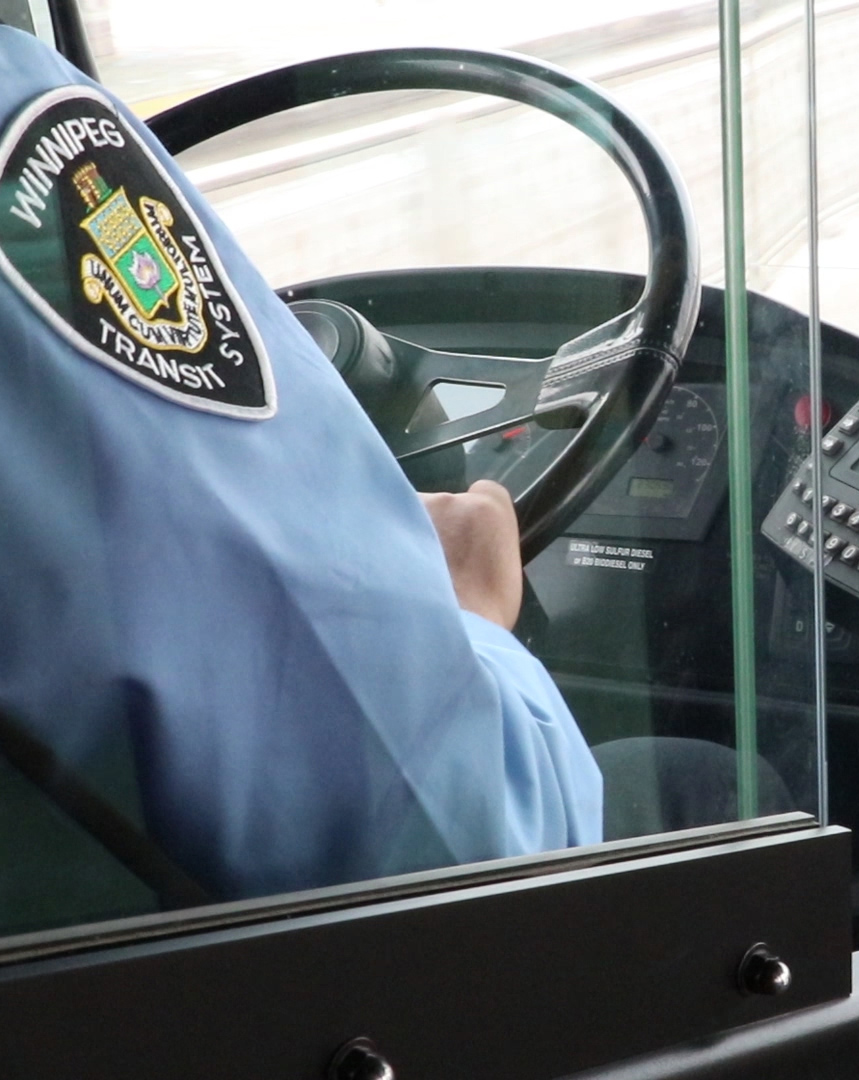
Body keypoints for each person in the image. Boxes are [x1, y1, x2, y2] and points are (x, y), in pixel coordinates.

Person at [0, 25, 601, 901]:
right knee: (698, 781)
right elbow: (463, 852)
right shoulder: (23, 124)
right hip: (194, 1001)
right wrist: (471, 618)